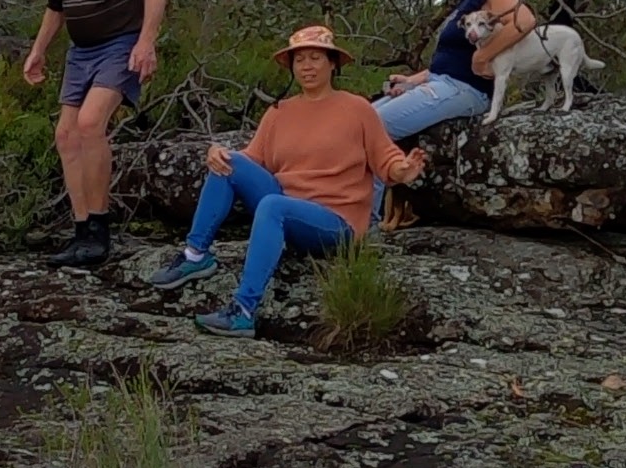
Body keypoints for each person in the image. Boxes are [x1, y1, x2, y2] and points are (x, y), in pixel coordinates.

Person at [149, 26, 427, 337]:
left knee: (273, 205)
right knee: (228, 162)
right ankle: (195, 255)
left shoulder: (357, 108)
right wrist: (217, 153)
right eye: (300, 60)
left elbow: (386, 159)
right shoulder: (279, 112)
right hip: (286, 207)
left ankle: (243, 311)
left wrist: (403, 170)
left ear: (332, 63)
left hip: (336, 223)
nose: (307, 66)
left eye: (315, 58)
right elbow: (251, 159)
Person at [24, 0, 168, 267]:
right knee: (66, 135)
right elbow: (57, 5)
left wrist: (146, 42)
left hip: (120, 42)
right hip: (81, 50)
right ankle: (82, 231)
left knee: (90, 124)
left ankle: (100, 232)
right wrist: (38, 51)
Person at [370, 0, 536, 228]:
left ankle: (364, 226)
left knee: (376, 128)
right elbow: (450, 59)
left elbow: (524, 20)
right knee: (361, 119)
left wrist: (483, 57)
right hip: (441, 82)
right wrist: (412, 81)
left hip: (465, 89)